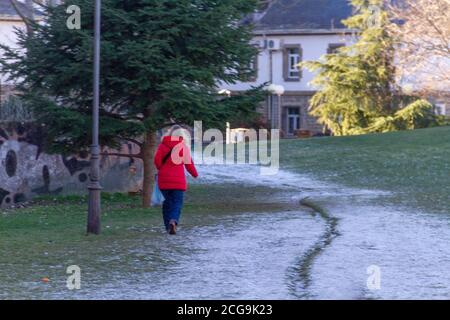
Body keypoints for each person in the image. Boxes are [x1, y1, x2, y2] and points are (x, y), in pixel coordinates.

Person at [154, 126, 198, 234]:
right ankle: (173, 221)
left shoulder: (162, 146)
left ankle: (167, 226)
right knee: (177, 203)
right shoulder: (183, 148)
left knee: (166, 204)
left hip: (164, 181)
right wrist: (195, 174)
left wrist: (162, 169)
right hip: (178, 182)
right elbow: (189, 164)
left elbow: (157, 161)